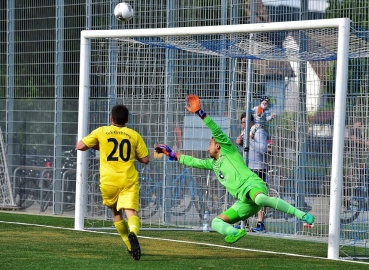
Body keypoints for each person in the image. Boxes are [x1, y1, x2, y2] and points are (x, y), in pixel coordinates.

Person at [155, 94, 314, 244]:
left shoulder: (228, 150)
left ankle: (302, 215)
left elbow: (215, 130)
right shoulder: (213, 164)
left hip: (253, 186)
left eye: (209, 144)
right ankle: (234, 232)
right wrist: (172, 154)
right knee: (216, 222)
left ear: (217, 145)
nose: (207, 147)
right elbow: (193, 161)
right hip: (244, 201)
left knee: (259, 199)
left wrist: (200, 113)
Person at [76, 104, 149, 261]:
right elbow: (145, 159)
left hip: (108, 181)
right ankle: (133, 233)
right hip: (128, 179)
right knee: (131, 212)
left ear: (111, 118)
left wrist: (100, 146)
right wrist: (132, 153)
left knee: (116, 213)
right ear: (127, 120)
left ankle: (129, 246)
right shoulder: (133, 135)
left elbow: (80, 146)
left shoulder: (102, 131)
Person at [236, 112, 268, 233]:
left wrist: (250, 141)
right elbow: (247, 150)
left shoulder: (259, 132)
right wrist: (240, 144)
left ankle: (260, 224)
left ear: (252, 122)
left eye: (246, 122)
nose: (243, 124)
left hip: (259, 168)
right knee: (245, 195)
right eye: (242, 122)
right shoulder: (245, 133)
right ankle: (245, 222)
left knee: (259, 197)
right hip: (248, 168)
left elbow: (262, 148)